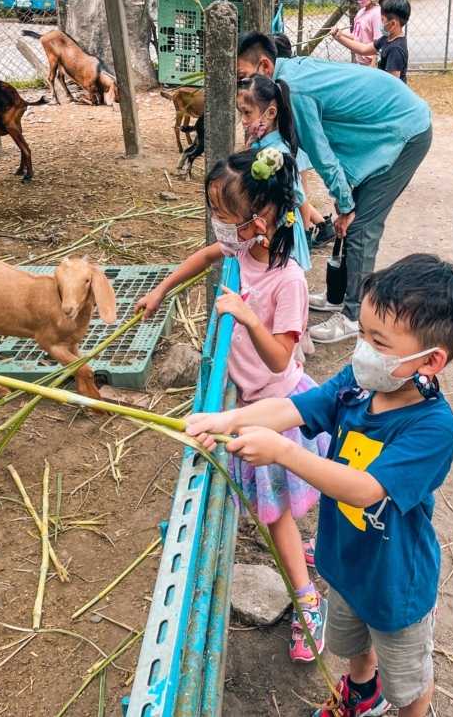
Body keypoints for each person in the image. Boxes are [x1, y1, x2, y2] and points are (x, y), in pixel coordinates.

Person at [186, 254, 453, 717]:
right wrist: (228, 418)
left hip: (394, 583)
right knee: (353, 646)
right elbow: (296, 408)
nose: (361, 347)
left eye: (377, 340)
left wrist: (284, 452)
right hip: (343, 561)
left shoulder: (432, 427)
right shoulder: (360, 384)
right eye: (361, 331)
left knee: (409, 681)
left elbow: (365, 489)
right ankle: (363, 696)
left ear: (431, 360)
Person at [135, 148, 330, 664]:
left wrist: (246, 316)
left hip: (276, 409)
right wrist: (160, 291)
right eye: (215, 215)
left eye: (225, 217)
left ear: (261, 219)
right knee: (283, 507)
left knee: (277, 516)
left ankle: (306, 600)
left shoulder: (288, 280)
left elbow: (279, 355)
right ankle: (316, 556)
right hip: (247, 402)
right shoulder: (242, 251)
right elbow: (205, 257)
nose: (218, 227)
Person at [236, 32, 433, 345]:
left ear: (265, 65)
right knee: (352, 217)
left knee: (362, 225)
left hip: (404, 129)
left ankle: (355, 316)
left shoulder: (293, 90)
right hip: (387, 124)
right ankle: (340, 294)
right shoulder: (288, 77)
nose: (243, 88)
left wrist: (345, 204)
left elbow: (321, 154)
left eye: (244, 76)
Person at [271, 32, 337, 249]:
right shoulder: (289, 76)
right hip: (296, 144)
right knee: (299, 192)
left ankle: (307, 235)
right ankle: (323, 225)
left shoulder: (285, 84)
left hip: (298, 145)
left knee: (301, 193)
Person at [331, 0, 412, 84]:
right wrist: (340, 37)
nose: (380, 23)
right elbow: (363, 49)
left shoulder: (395, 49)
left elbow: (393, 85)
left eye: (382, 19)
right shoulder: (387, 38)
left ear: (392, 24)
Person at [352, 0, 384, 67]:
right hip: (360, 64)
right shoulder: (361, 12)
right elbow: (356, 35)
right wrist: (339, 34)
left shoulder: (377, 14)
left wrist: (373, 65)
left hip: (370, 65)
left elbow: (378, 43)